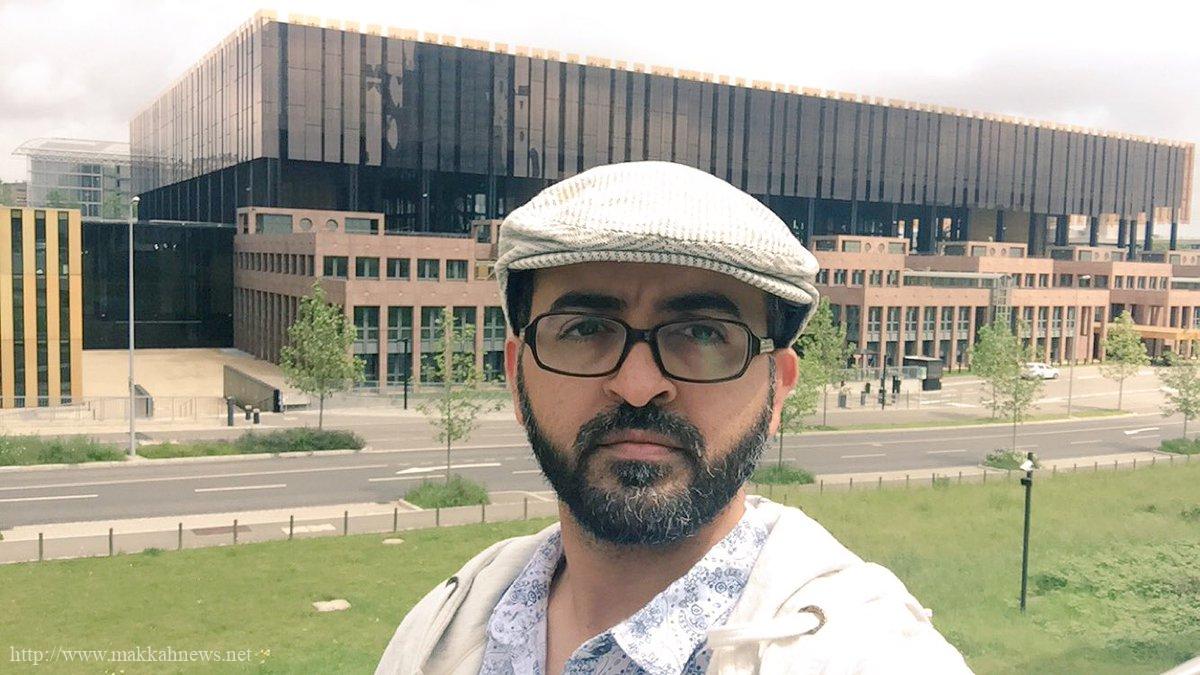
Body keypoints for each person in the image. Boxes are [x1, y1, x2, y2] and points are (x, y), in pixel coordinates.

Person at [376, 161, 970, 674]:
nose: (638, 386)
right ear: (516, 375)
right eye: (585, 328)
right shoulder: (439, 632)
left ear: (778, 389)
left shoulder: (876, 656)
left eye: (703, 334)